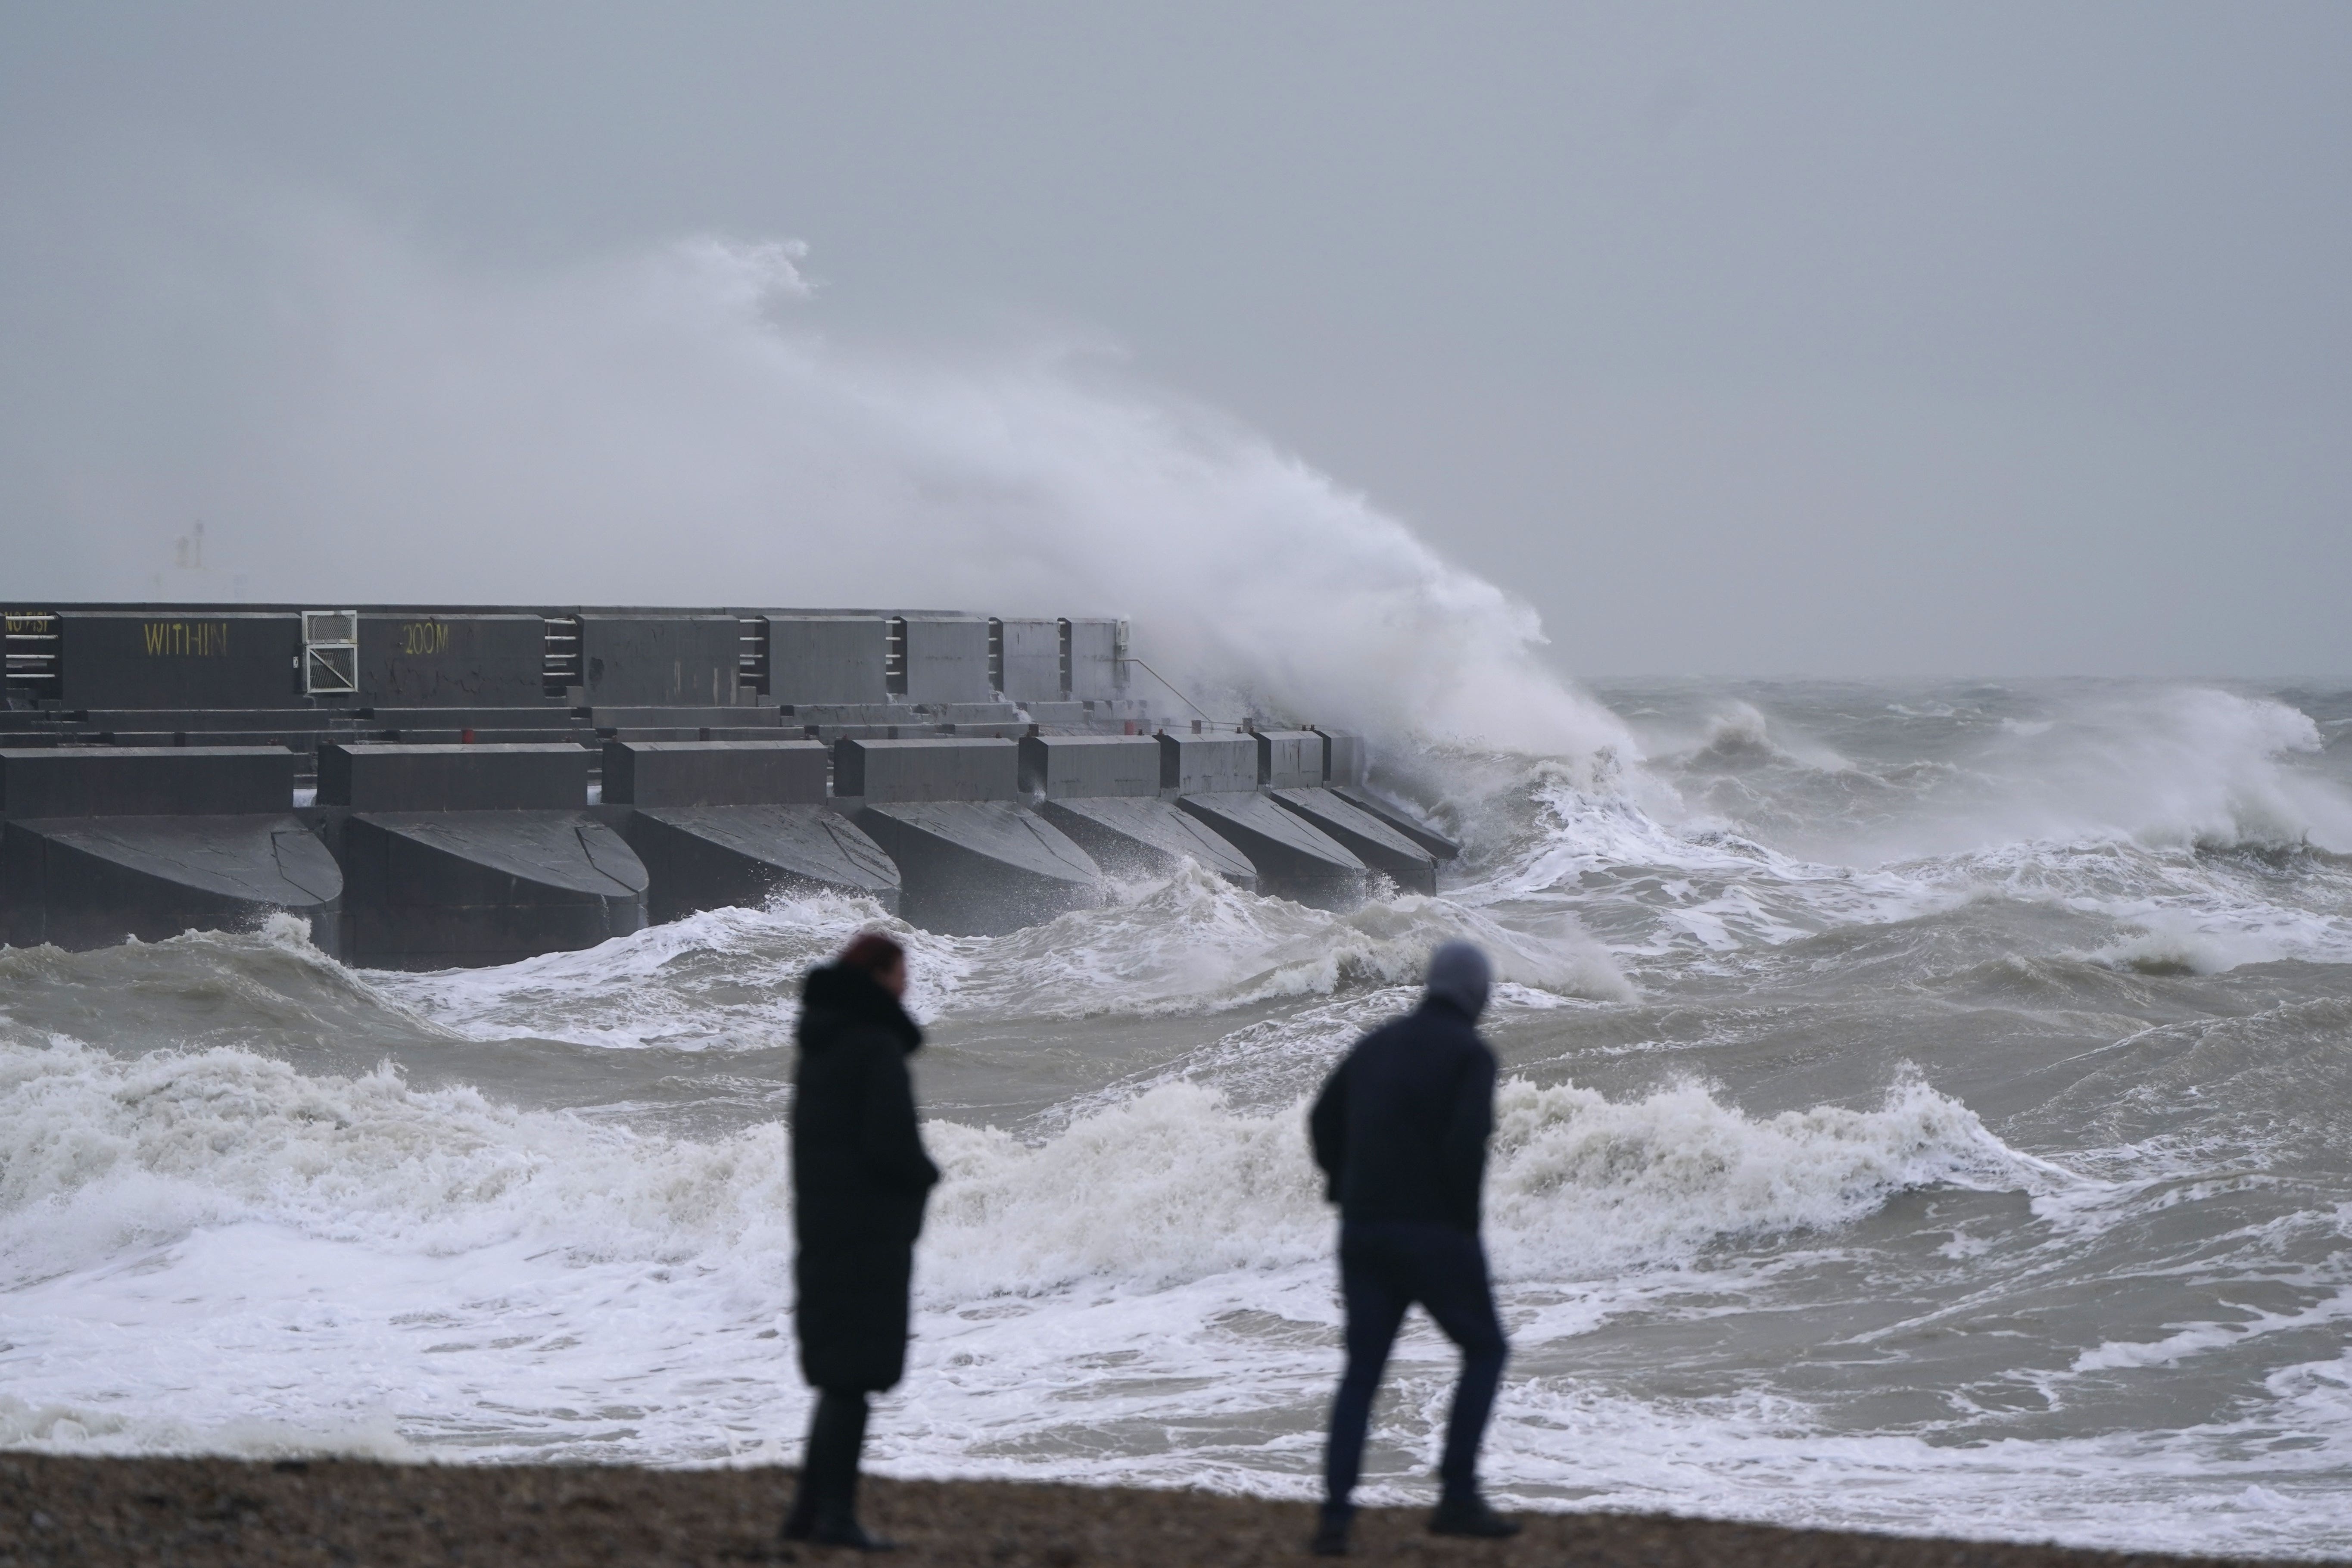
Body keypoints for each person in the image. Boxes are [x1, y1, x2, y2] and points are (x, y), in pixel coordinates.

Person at [1306, 940, 1518, 1556]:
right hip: (1431, 1232)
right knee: (1485, 1348)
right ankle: (1456, 1497)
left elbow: (1322, 1120)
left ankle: (1335, 1520)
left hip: (1363, 1229)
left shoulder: (1376, 1043)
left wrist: (1345, 1187)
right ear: (1476, 994)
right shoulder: (1471, 1055)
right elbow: (1467, 1143)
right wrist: (1465, 1226)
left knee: (1362, 1373)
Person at [782, 932, 940, 1552]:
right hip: (867, 1230)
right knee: (853, 1375)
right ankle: (836, 1518)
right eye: (903, 973)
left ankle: (808, 1514)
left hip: (826, 1224)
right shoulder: (874, 1046)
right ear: (880, 975)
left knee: (838, 1377)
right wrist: (925, 1178)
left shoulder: (822, 1044)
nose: (908, 986)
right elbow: (890, 1146)